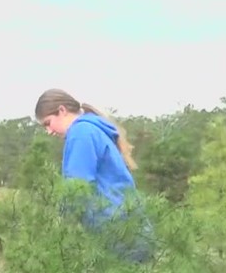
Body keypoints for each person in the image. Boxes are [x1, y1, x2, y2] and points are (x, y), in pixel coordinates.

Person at [33, 88, 151, 261]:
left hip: (117, 237)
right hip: (134, 232)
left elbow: (76, 191)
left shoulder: (81, 134)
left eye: (48, 123)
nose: (49, 131)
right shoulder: (93, 130)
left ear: (62, 111)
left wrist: (58, 237)